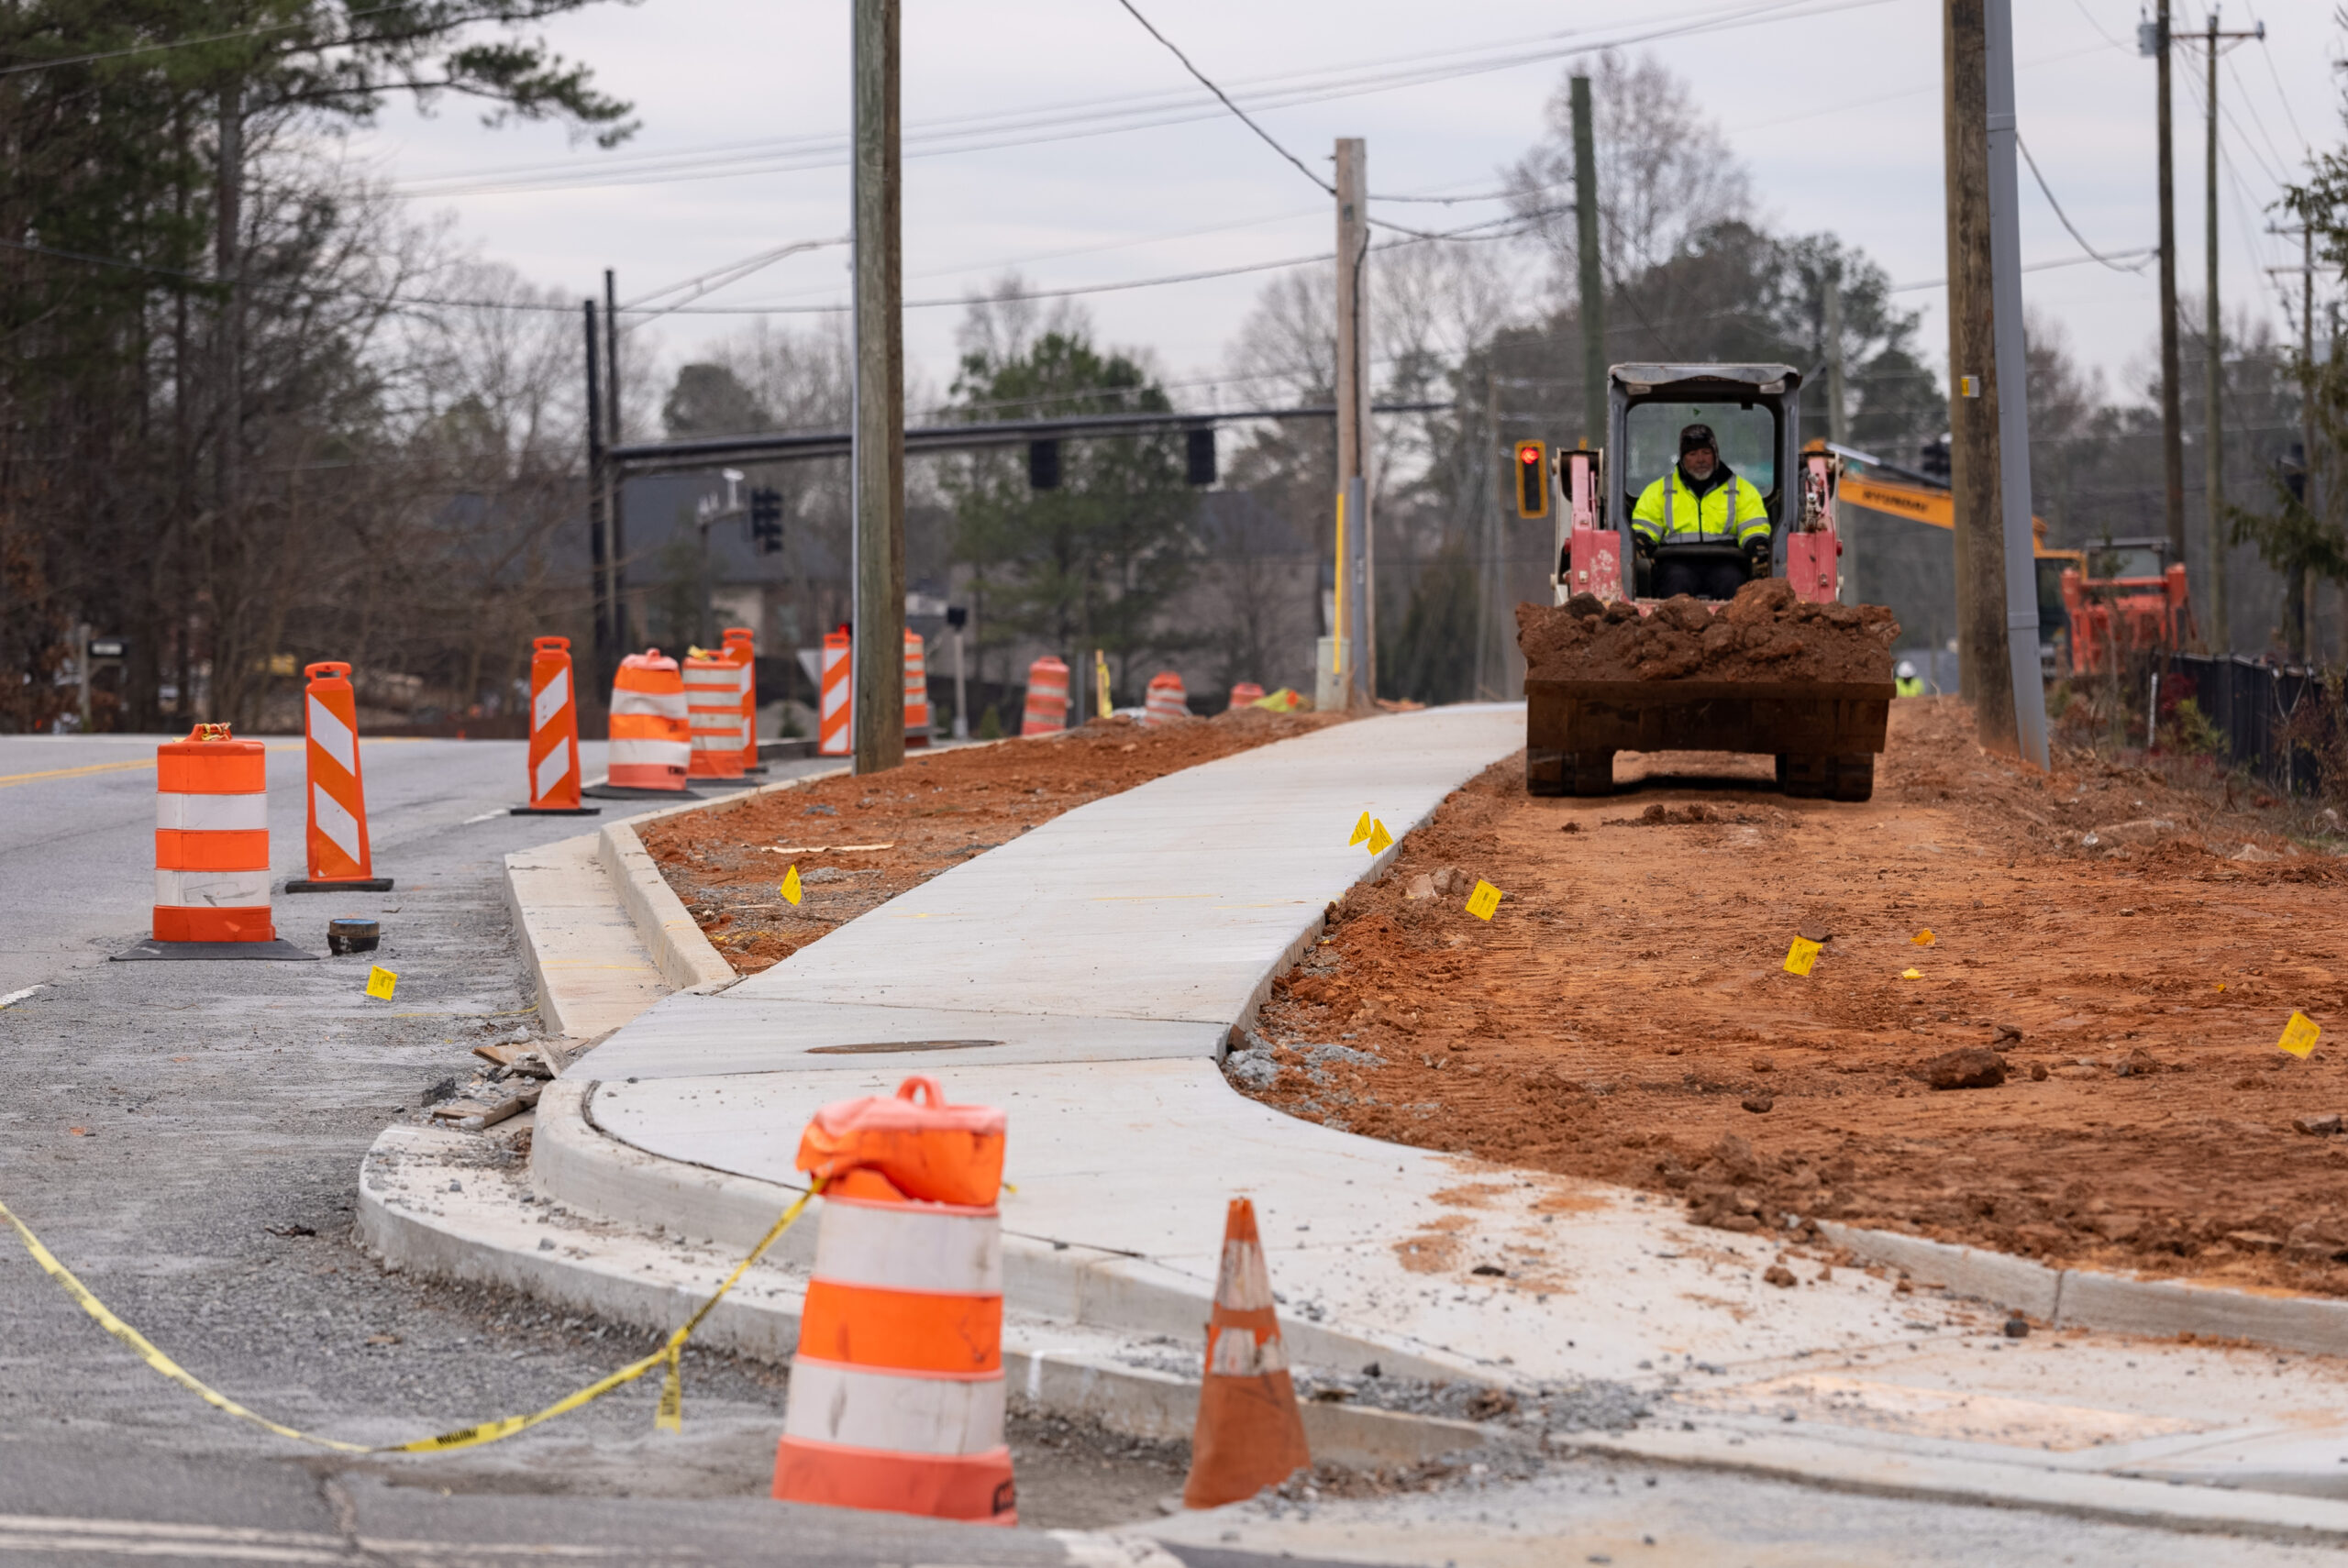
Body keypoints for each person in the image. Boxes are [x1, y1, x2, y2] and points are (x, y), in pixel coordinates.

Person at [1631, 424, 1772, 600]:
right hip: (1677, 563)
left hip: (1725, 562)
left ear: (1716, 455)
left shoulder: (1741, 490)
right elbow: (1645, 526)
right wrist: (1640, 542)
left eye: (1706, 452)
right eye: (1692, 454)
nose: (1700, 459)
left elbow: (1753, 526)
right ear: (1682, 459)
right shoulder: (1659, 491)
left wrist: (1757, 547)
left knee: (1732, 581)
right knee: (1676, 583)